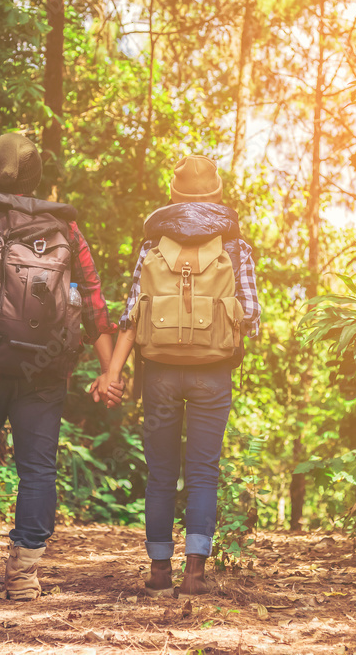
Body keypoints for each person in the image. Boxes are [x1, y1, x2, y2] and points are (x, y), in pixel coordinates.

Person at [0, 133, 122, 598]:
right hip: (45, 369)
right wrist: (109, 372)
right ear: (37, 176)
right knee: (37, 469)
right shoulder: (66, 229)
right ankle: (24, 577)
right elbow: (93, 304)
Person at [97, 155, 261, 596]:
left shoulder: (154, 247)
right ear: (218, 196)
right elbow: (252, 318)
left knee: (161, 472)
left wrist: (113, 372)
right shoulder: (236, 248)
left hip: (160, 375)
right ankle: (195, 575)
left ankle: (158, 574)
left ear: (172, 197)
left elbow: (131, 317)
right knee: (204, 472)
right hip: (213, 374)